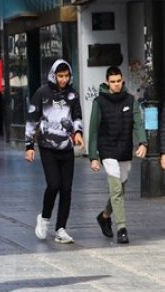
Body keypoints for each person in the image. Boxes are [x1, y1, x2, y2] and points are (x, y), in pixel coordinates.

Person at [26, 59, 84, 244]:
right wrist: (29, 146)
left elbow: (77, 116)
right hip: (47, 147)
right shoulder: (42, 93)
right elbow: (32, 119)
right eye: (60, 76)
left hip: (66, 147)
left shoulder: (72, 95)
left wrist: (78, 134)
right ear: (53, 75)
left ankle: (61, 228)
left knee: (66, 189)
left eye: (67, 76)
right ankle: (44, 218)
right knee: (54, 185)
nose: (64, 80)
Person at [89, 66, 147, 245]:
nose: (115, 84)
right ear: (107, 82)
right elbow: (93, 130)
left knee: (120, 190)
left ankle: (105, 215)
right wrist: (93, 156)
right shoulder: (99, 102)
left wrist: (143, 143)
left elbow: (138, 122)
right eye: (112, 82)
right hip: (107, 150)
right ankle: (121, 228)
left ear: (122, 81)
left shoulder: (131, 100)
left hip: (124, 150)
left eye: (118, 81)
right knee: (116, 190)